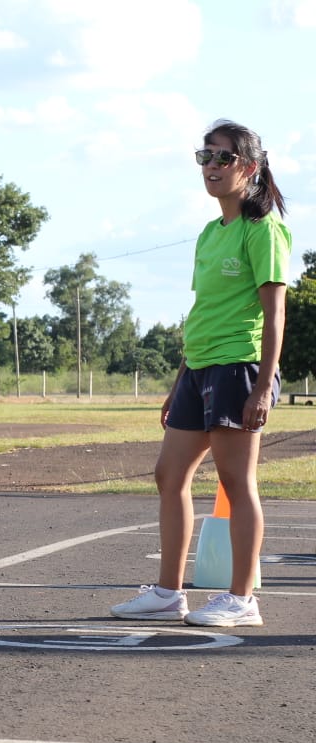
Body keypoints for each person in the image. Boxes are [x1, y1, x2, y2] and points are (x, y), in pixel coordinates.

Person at [111, 118, 291, 628]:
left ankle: (241, 599)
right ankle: (169, 592)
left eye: (223, 158)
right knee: (170, 475)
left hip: (239, 367)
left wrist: (262, 386)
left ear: (250, 168)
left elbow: (275, 314)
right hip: (199, 367)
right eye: (205, 156)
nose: (211, 166)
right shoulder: (211, 233)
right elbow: (202, 308)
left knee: (236, 481)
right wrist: (178, 380)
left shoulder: (264, 230)